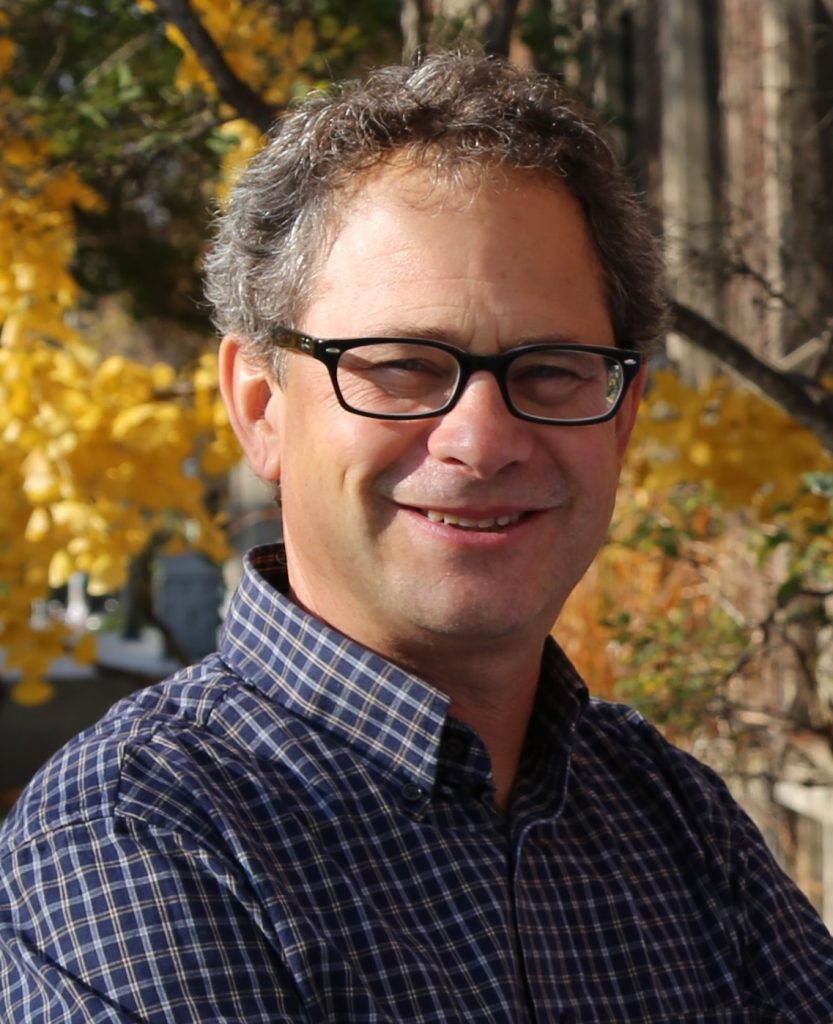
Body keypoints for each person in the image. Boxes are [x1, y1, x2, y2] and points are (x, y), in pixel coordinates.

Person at [1, 52, 831, 1024]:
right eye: (399, 365)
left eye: (552, 369)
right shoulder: (141, 844)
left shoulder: (671, 818)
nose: (479, 439)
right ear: (260, 406)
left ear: (622, 417)